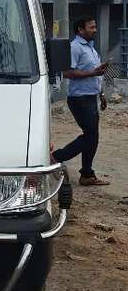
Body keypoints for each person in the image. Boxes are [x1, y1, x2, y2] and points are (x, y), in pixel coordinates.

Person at [52, 16, 109, 186]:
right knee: (91, 136)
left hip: (91, 97)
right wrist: (92, 73)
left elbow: (96, 74)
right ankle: (57, 157)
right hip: (80, 99)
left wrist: (102, 94)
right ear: (80, 30)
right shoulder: (75, 47)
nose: (95, 30)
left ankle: (87, 173)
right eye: (91, 27)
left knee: (91, 136)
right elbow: (67, 72)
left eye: (95, 26)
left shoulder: (91, 49)